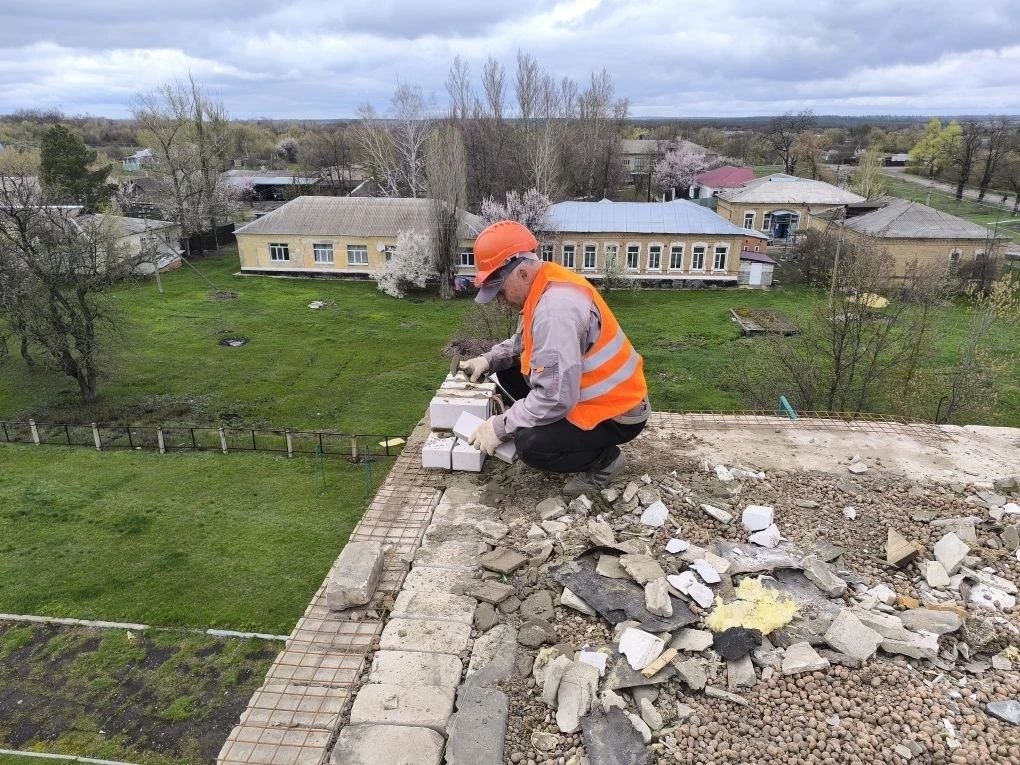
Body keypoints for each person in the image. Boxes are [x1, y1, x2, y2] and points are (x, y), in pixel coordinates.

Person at [460, 220, 650, 495]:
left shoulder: (554, 312)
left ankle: (604, 461)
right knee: (507, 370)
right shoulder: (544, 283)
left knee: (530, 444)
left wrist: (500, 427)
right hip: (587, 392)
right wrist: (488, 360)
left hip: (618, 412)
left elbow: (556, 397)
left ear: (522, 273)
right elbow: (524, 344)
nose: (500, 302)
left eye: (500, 292)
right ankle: (557, 431)